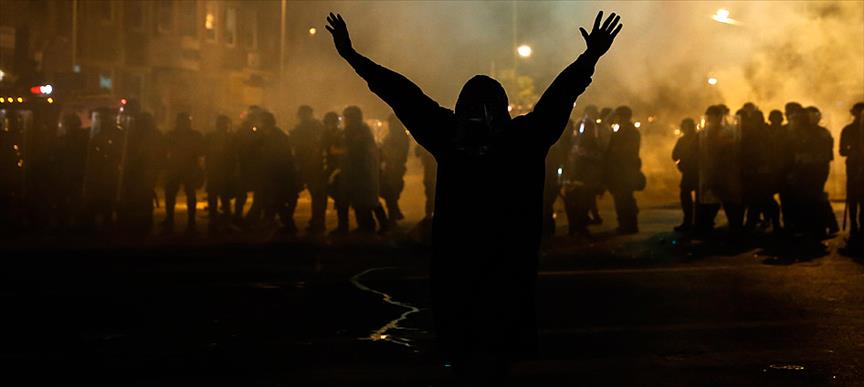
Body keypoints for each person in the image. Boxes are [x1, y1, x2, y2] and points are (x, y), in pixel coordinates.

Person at [326, 10, 621, 382]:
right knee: (487, 354)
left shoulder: (458, 136)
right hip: (492, 267)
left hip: (473, 267)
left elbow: (403, 95)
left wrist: (353, 57)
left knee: (476, 353)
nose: (478, 118)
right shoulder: (518, 139)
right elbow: (558, 99)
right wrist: (589, 57)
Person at [696, 105, 743, 234]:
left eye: (715, 116)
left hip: (725, 172)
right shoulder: (704, 134)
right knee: (711, 204)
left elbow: (733, 151)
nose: (712, 119)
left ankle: (735, 230)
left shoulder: (728, 132)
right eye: (710, 117)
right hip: (711, 172)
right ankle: (706, 229)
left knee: (728, 203)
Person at [117, 110, 163, 235]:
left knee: (143, 199)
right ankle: (138, 224)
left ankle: (143, 225)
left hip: (145, 172)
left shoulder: (151, 135)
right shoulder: (133, 134)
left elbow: (159, 154)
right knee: (138, 199)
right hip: (137, 171)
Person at [162, 113, 205, 234]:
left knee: (188, 195)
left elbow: (201, 152)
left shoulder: (191, 135)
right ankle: (172, 220)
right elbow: (164, 151)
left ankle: (189, 222)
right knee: (171, 195)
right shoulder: (173, 135)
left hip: (187, 169)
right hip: (178, 168)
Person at [82, 108, 123, 231]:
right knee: (96, 199)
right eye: (101, 118)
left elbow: (120, 152)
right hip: (97, 172)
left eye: (105, 118)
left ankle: (107, 223)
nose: (103, 121)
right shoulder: (94, 133)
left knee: (108, 200)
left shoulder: (118, 133)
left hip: (110, 172)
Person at [289, 106, 328, 234]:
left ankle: (317, 222)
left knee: (317, 196)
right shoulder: (316, 127)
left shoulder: (313, 128)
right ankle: (317, 222)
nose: (301, 117)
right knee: (317, 197)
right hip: (308, 167)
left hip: (312, 167)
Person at [341, 106, 380, 234]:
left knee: (363, 201)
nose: (345, 120)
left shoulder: (360, 131)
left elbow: (357, 151)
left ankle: (367, 227)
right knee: (360, 201)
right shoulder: (354, 130)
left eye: (347, 117)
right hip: (355, 171)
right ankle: (365, 226)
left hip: (362, 172)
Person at [563, 118, 605, 237]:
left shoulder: (594, 143)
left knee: (583, 205)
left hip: (585, 180)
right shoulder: (573, 141)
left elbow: (597, 160)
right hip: (573, 178)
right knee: (571, 204)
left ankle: (580, 227)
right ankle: (574, 227)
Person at [605, 105, 643, 234]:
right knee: (622, 198)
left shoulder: (630, 132)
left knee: (624, 199)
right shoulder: (624, 130)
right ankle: (626, 224)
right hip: (621, 170)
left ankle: (628, 225)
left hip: (624, 170)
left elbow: (626, 151)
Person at [55, 113, 89, 229]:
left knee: (66, 201)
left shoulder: (63, 140)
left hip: (69, 175)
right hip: (77, 174)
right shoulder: (85, 139)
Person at [205, 115, 236, 231]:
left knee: (222, 197)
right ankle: (218, 221)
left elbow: (234, 155)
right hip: (217, 171)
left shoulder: (230, 137)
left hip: (223, 171)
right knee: (219, 197)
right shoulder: (213, 137)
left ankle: (220, 222)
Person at [380, 113, 411, 227]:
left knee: (390, 193)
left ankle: (393, 217)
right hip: (392, 167)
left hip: (395, 168)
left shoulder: (398, 136)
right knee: (390, 193)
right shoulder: (395, 135)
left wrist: (386, 153)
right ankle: (395, 214)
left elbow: (398, 153)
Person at [839, 102, 864, 243]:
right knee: (853, 197)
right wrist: (854, 151)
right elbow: (842, 151)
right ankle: (854, 226)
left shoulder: (849, 129)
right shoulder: (848, 130)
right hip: (853, 167)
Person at [672, 118, 698, 232]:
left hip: (697, 172)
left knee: (699, 199)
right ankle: (688, 222)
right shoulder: (682, 140)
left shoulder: (699, 139)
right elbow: (674, 155)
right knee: (685, 197)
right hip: (688, 172)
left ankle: (697, 222)